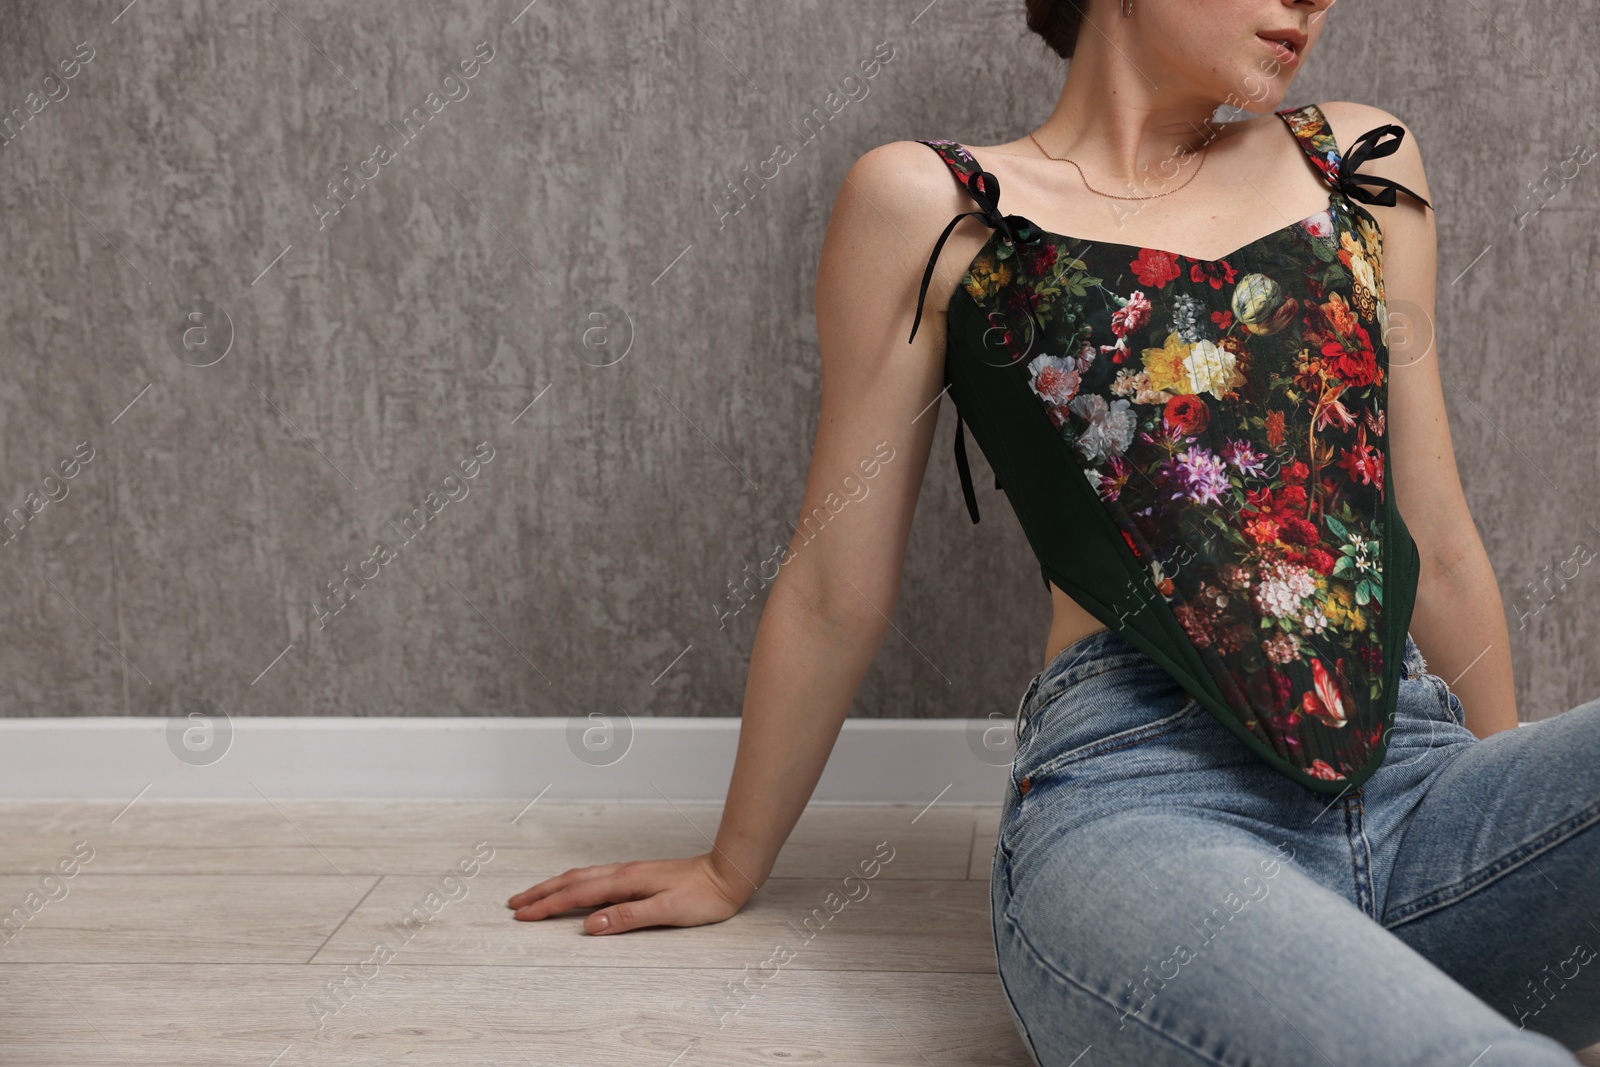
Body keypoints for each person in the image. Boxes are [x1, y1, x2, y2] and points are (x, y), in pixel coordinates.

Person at [506, 0, 1600, 1062]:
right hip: (1147, 810)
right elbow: (835, 586)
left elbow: (1436, 535)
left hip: (1413, 772)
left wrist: (1491, 813)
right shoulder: (935, 204)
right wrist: (731, 864)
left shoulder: (1359, 164)